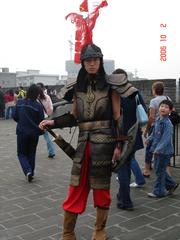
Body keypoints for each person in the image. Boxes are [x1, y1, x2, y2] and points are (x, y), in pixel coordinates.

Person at [39, 44, 135, 240]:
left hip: (105, 143)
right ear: (83, 63)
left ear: (100, 62)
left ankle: (99, 230)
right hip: (83, 146)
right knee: (76, 187)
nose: (92, 63)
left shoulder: (112, 85)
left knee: (101, 189)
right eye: (88, 60)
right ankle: (67, 233)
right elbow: (73, 116)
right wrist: (53, 122)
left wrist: (119, 146)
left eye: (95, 60)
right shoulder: (77, 88)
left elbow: (118, 116)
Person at [113, 69, 145, 211]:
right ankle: (122, 195)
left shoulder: (114, 93)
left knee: (121, 168)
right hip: (134, 135)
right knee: (125, 166)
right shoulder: (134, 91)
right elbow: (143, 109)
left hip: (120, 136)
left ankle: (126, 201)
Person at [146, 99, 179, 198]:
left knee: (159, 170)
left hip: (164, 151)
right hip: (157, 150)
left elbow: (166, 139)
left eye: (166, 107)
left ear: (170, 111)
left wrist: (158, 149)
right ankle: (171, 184)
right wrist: (149, 138)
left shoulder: (168, 124)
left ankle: (158, 191)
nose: (163, 108)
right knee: (159, 169)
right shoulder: (158, 119)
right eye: (162, 106)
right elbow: (154, 133)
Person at [13, 84, 44, 182]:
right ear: (37, 94)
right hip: (34, 133)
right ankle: (31, 172)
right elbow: (41, 120)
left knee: (21, 153)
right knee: (31, 153)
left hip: (22, 131)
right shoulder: (38, 106)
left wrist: (22, 121)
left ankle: (28, 171)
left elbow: (15, 116)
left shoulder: (20, 102)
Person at [143, 81, 170, 177]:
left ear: (154, 90)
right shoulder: (167, 98)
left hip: (155, 127)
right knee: (164, 148)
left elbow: (151, 117)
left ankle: (146, 170)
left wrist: (146, 130)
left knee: (150, 148)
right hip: (165, 126)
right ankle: (167, 172)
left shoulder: (153, 101)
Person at [37, 82, 56, 158]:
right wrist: (47, 115)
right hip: (45, 118)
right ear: (43, 88)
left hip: (36, 119)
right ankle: (51, 152)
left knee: (33, 136)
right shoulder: (47, 97)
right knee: (47, 136)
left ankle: (29, 152)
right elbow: (51, 109)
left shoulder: (34, 97)